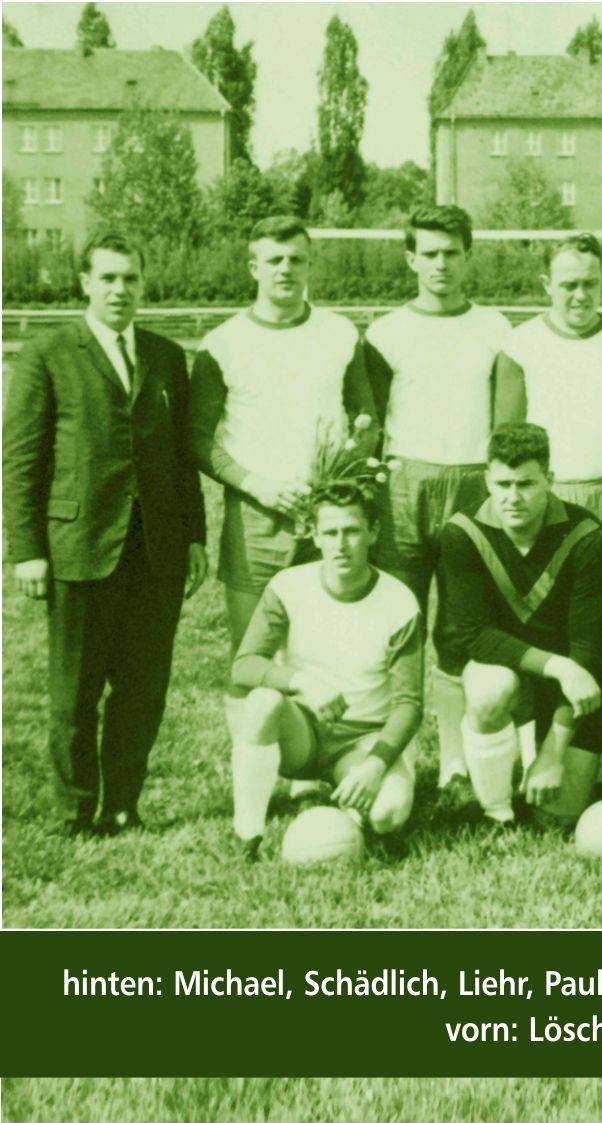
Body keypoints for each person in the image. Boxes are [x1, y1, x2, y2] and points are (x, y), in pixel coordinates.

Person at [2, 231, 207, 835]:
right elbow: (21, 459)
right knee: (74, 693)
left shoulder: (168, 356)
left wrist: (193, 535)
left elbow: (178, 459)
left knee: (143, 690)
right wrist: (26, 550)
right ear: (85, 283)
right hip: (78, 546)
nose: (120, 290)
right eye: (108, 278)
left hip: (156, 551)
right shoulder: (47, 353)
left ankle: (122, 803)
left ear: (144, 284)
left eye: (131, 279)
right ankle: (72, 810)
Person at [188, 214, 375, 744]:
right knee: (251, 650)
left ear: (310, 264)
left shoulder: (339, 332)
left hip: (329, 515)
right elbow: (198, 438)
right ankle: (254, 771)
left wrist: (337, 480)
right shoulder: (223, 342)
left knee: (328, 642)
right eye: (274, 260)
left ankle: (313, 761)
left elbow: (366, 416)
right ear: (254, 267)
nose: (285, 269)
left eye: (296, 259)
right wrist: (257, 484)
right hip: (256, 515)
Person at [364, 204, 513, 796]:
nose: (441, 264)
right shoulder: (385, 333)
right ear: (410, 260)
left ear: (468, 255)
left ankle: (454, 762)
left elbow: (506, 421)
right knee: (399, 625)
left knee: (460, 630)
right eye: (429, 253)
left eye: (451, 252)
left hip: (472, 486)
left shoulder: (496, 329)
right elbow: (369, 425)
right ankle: (389, 756)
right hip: (404, 487)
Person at [434, 423, 602, 828]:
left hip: (572, 688)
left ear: (549, 480)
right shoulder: (462, 533)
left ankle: (546, 755)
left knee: (556, 817)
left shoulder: (588, 536)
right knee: (487, 689)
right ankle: (496, 812)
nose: (512, 497)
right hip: (513, 675)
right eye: (502, 484)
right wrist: (559, 666)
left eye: (526, 484)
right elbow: (477, 637)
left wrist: (554, 752)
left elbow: (587, 650)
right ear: (486, 479)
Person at [229, 482, 423, 859]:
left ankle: (355, 806)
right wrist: (301, 681)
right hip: (301, 731)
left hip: (363, 738)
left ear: (374, 532)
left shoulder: (398, 601)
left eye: (352, 531)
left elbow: (409, 704)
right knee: (261, 702)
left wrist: (375, 764)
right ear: (314, 535)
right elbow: (244, 666)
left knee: (389, 814)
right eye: (330, 533)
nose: (341, 544)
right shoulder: (289, 586)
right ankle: (247, 836)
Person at [495, 233, 602, 583]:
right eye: (569, 285)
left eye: (591, 283)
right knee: (546, 616)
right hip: (543, 498)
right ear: (547, 285)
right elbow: (504, 442)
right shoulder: (519, 345)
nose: (581, 296)